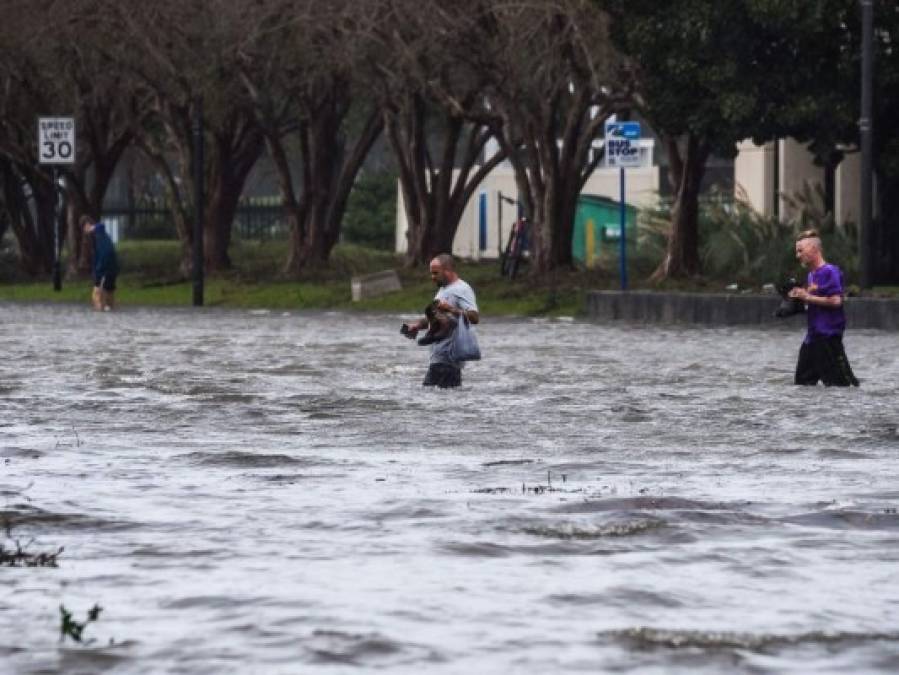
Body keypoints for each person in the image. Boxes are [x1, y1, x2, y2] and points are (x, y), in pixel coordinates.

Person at [788, 229, 858, 387]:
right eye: (796, 251)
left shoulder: (830, 271)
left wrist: (807, 297)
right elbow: (813, 301)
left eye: (801, 250)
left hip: (828, 337)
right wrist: (798, 299)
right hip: (812, 338)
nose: (797, 255)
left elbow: (836, 301)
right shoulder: (811, 275)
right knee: (802, 383)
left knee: (841, 385)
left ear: (814, 249)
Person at [401, 254, 479, 388]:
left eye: (435, 273)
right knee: (433, 402)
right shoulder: (443, 290)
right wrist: (417, 326)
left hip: (448, 361)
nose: (432, 277)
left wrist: (450, 308)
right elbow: (436, 317)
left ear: (448, 270)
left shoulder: (462, 289)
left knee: (431, 402)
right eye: (431, 273)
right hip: (438, 360)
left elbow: (474, 317)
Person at [81, 215, 119, 312]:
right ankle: (110, 313)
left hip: (104, 269)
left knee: (96, 295)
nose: (85, 232)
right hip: (110, 268)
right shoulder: (98, 236)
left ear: (87, 225)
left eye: (84, 228)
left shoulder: (98, 233)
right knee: (109, 295)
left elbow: (101, 226)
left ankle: (100, 315)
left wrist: (99, 269)